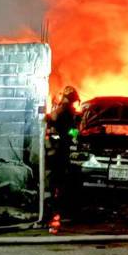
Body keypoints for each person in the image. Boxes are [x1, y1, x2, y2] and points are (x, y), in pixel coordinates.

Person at [44, 86, 81, 217]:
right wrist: (75, 134)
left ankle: (52, 202)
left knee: (55, 176)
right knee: (59, 176)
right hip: (59, 149)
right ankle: (55, 205)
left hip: (56, 149)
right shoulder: (65, 111)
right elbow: (69, 131)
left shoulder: (59, 111)